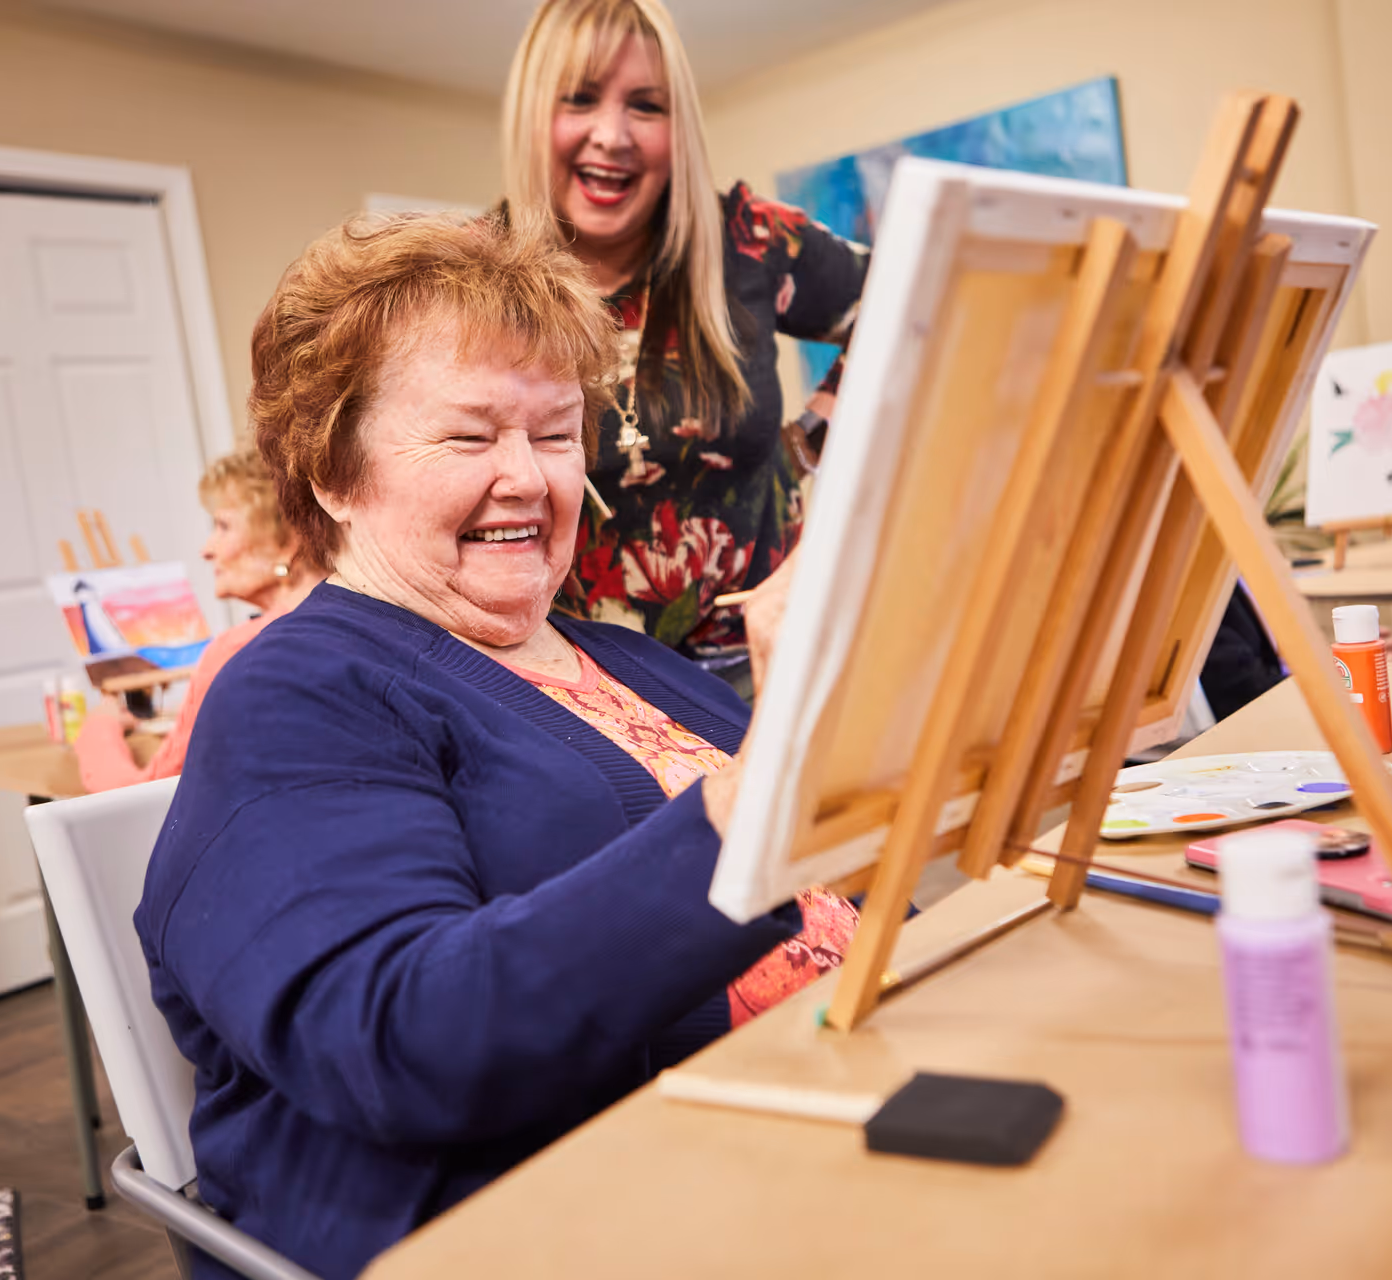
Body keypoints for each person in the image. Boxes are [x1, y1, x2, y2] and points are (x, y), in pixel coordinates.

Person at [136, 214, 857, 1280]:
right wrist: (766, 787)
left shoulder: (622, 656)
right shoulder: (298, 690)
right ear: (332, 472)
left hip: (824, 1115)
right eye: (471, 437)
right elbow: (404, 1040)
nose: (528, 476)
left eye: (556, 433)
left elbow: (847, 875)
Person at [501, 0, 869, 674]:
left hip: (768, 664)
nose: (612, 136)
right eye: (580, 100)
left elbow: (905, 305)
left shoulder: (748, 239)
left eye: (646, 106)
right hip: (579, 683)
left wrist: (808, 443)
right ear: (532, 112)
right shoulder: (477, 277)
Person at [73, 451, 324, 791]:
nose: (207, 550)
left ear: (288, 540)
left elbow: (143, 794)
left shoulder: (238, 650)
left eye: (223, 526)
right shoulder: (359, 614)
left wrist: (99, 730)